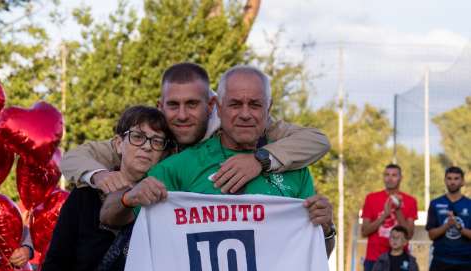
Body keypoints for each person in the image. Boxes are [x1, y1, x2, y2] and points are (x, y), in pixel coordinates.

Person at [100, 65, 335, 255]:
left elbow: (317, 255)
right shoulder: (181, 166)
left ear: (268, 108)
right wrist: (128, 198)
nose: (245, 114)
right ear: (219, 109)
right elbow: (110, 216)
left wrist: (326, 229)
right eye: (235, 104)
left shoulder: (296, 170)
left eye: (255, 104)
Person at [60, 62, 331, 196]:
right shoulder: (149, 134)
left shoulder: (238, 121)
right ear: (160, 104)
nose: (181, 115)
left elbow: (317, 140)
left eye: (192, 104)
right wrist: (99, 176)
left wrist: (259, 160)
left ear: (212, 105)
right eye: (173, 105)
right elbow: (73, 157)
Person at [38, 105, 175, 271]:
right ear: (119, 144)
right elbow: (55, 267)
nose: (147, 147)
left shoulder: (166, 202)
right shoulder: (86, 196)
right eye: (138, 137)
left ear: (164, 153)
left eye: (157, 141)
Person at [359, 164, 418, 271]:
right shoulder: (371, 198)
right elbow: (364, 231)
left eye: (394, 175)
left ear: (400, 178)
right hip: (374, 258)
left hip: (398, 260)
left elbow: (409, 234)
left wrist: (398, 210)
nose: (390, 178)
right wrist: (384, 215)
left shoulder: (410, 201)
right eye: (387, 174)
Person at [426, 166, 471, 271]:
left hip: (465, 263)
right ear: (445, 180)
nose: (452, 182)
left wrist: (460, 228)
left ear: (462, 181)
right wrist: (446, 226)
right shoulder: (435, 204)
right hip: (440, 262)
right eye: (449, 179)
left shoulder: (469, 205)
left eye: (456, 179)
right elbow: (431, 234)